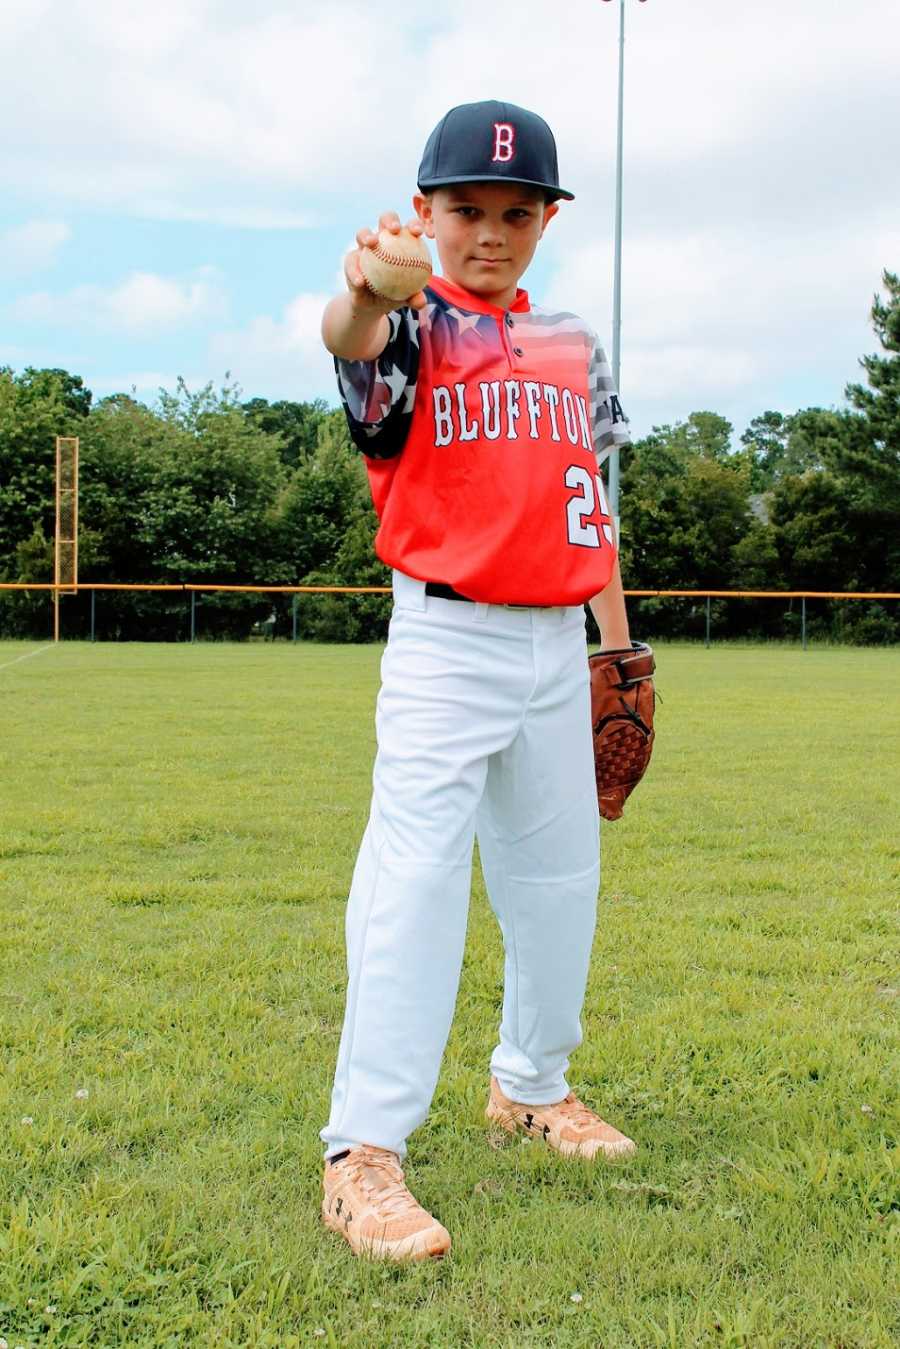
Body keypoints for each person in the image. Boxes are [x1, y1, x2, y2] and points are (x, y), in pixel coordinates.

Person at [319, 100, 634, 1262]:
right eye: (464, 209)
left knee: (558, 880)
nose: (488, 232)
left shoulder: (573, 347)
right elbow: (347, 336)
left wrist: (618, 649)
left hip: (559, 637)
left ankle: (532, 1084)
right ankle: (363, 1153)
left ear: (546, 219)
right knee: (414, 881)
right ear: (427, 211)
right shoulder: (410, 322)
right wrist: (367, 284)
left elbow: (591, 504)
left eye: (515, 211)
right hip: (447, 641)